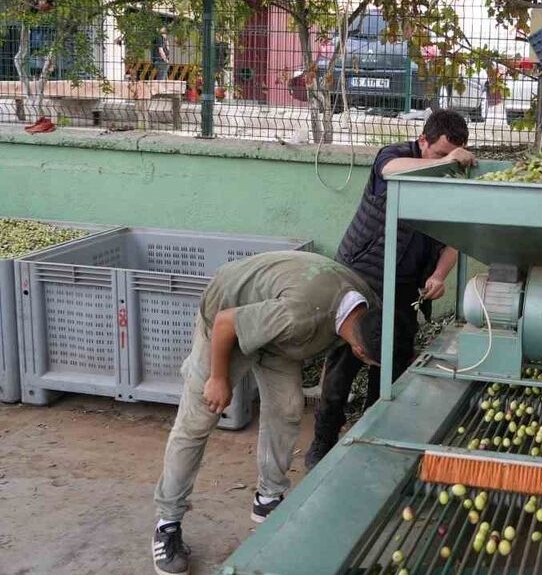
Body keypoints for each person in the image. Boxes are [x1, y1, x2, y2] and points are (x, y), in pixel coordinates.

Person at [150, 250, 382, 575]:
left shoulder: (368, 308)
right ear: (360, 350)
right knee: (199, 418)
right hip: (225, 315)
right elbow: (226, 322)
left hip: (276, 336)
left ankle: (268, 497)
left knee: (288, 408)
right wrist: (218, 379)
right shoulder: (300, 316)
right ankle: (168, 522)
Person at [304, 109, 476, 468]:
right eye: (437, 154)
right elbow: (388, 172)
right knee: (343, 364)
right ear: (422, 141)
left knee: (391, 367)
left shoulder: (450, 175)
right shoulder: (394, 155)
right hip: (360, 280)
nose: (444, 163)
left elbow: (454, 238)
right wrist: (445, 163)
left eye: (451, 155)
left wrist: (440, 276)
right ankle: (323, 441)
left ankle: (370, 440)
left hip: (405, 288)